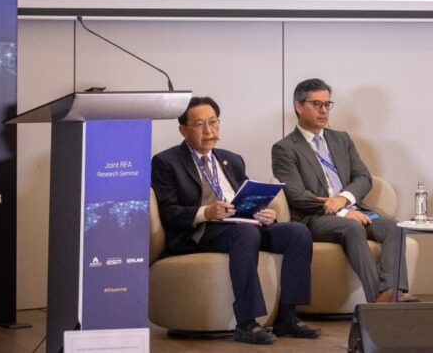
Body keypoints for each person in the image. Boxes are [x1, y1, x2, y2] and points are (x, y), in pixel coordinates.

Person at [151, 96, 320, 345]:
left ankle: (287, 318)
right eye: (199, 124)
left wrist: (264, 213)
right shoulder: (166, 162)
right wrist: (206, 212)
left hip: (241, 226)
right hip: (200, 232)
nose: (209, 131)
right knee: (245, 233)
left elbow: (246, 197)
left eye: (213, 122)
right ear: (183, 130)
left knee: (297, 232)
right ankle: (247, 323)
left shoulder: (232, 159)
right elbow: (168, 212)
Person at [271, 78, 413, 304]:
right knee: (353, 227)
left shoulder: (341, 139)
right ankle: (377, 301)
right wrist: (342, 211)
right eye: (317, 104)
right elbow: (297, 195)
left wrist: (344, 199)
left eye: (327, 104)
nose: (324, 110)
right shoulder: (285, 148)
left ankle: (391, 292)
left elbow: (363, 177)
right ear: (299, 106)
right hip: (316, 217)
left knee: (394, 227)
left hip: (354, 208)